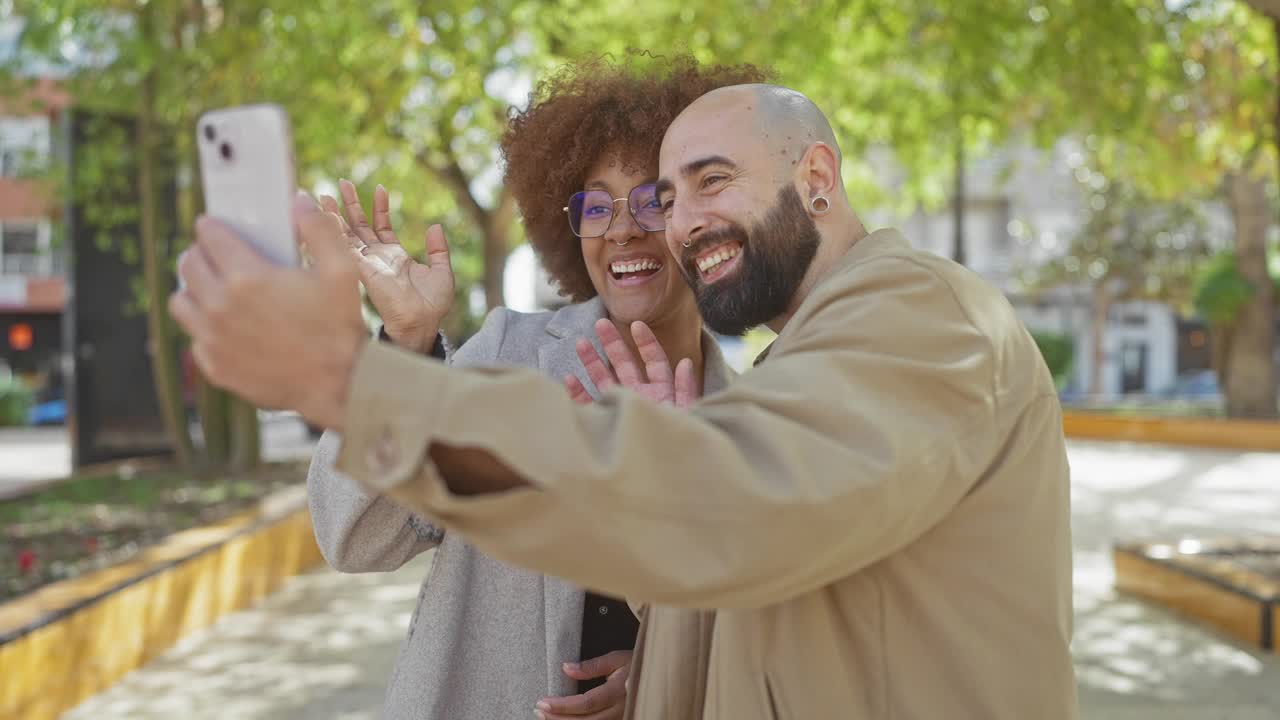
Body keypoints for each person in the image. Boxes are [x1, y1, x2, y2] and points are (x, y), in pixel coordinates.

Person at [170, 83, 1077, 719]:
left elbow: (730, 518)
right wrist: (400, 353)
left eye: (692, 186)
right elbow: (755, 562)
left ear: (818, 177)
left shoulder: (909, 317)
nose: (665, 222)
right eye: (614, 203)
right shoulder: (764, 374)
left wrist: (347, 383)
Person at [304, 56, 769, 720]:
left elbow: (758, 633)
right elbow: (357, 537)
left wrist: (666, 674)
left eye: (650, 199)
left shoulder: (750, 419)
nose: (621, 228)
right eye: (596, 204)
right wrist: (403, 344)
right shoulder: (511, 358)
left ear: (699, 219)